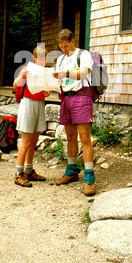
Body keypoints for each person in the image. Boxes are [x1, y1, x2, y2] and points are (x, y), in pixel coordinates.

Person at [53, 29, 95, 196]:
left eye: (66, 46)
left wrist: (65, 73)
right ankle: (71, 171)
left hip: (81, 96)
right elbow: (58, 79)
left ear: (73, 41)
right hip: (66, 98)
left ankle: (89, 177)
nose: (64, 49)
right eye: (61, 47)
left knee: (84, 137)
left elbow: (84, 72)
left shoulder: (83, 55)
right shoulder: (61, 59)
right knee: (70, 136)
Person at [13, 46, 50, 187]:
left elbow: (45, 91)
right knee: (26, 142)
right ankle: (18, 173)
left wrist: (47, 92)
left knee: (33, 141)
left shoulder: (44, 72)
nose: (42, 60)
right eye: (39, 58)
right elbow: (15, 84)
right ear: (34, 58)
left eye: (44, 58)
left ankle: (29, 170)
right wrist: (22, 77)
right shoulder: (27, 69)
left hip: (39, 104)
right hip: (28, 104)